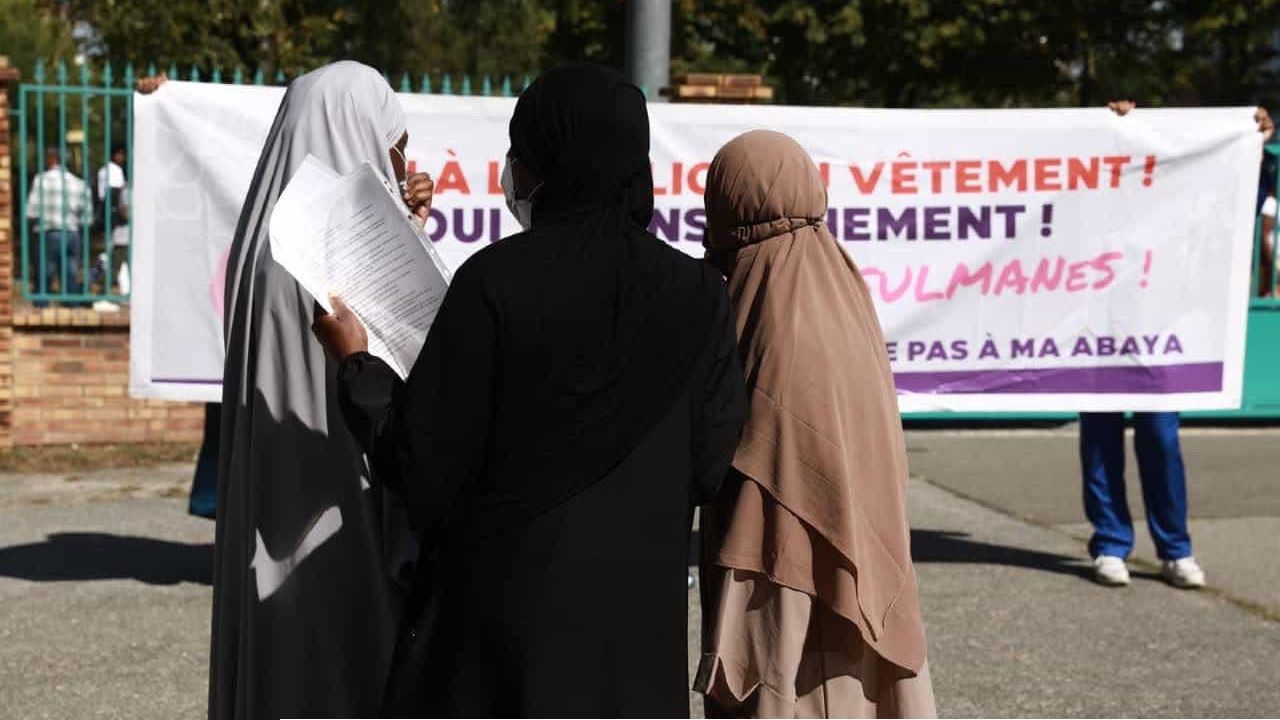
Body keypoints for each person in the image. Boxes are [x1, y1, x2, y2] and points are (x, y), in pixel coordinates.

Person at [312, 63, 747, 717]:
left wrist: (357, 368)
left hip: (502, 644)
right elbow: (711, 465)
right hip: (634, 646)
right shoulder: (701, 294)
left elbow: (423, 467)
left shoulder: (494, 282)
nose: (512, 170)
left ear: (546, 161)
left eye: (520, 152)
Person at [213, 61, 433, 719]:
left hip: (273, 494)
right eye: (393, 143)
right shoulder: (344, 249)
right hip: (346, 508)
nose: (399, 160)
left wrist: (404, 224)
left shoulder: (261, 240)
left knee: (283, 663)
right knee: (347, 664)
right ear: (360, 132)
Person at [694, 130, 935, 718]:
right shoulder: (836, 282)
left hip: (787, 578)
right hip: (862, 559)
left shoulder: (769, 303)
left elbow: (771, 477)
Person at [1085, 101, 1274, 589]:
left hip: (1160, 333)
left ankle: (1174, 548)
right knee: (1101, 439)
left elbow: (1234, 209)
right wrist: (1101, 125)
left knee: (1161, 438)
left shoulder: (1182, 196)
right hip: (1095, 331)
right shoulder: (1093, 194)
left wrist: (1252, 146)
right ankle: (1110, 543)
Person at [25, 148, 91, 301]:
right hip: (72, 233)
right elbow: (87, 218)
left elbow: (31, 211)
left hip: (50, 231)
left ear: (52, 159)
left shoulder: (41, 180)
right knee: (70, 272)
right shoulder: (79, 183)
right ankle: (71, 304)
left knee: (45, 271)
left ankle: (42, 304)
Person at [95, 144, 131, 297]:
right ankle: (101, 279)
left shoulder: (104, 170)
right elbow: (116, 195)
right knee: (115, 253)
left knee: (118, 253)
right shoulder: (113, 170)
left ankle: (124, 288)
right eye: (119, 154)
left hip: (110, 215)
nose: (122, 157)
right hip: (115, 218)